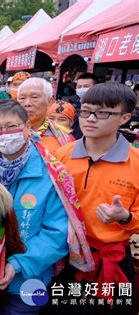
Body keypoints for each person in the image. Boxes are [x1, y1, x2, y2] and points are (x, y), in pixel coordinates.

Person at [55, 82, 138, 313]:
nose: (90, 118)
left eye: (102, 113)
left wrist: (125, 217)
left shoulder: (136, 163)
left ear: (124, 117)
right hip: (67, 258)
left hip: (112, 260)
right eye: (86, 111)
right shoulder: (62, 156)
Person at [0, 100, 68, 315]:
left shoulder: (52, 172)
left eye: (12, 126)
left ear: (28, 127)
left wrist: (18, 264)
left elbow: (58, 233)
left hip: (29, 278)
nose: (5, 133)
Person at [18, 77, 74, 153]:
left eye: (34, 97)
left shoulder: (65, 138)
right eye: (22, 98)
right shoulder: (8, 133)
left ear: (50, 102)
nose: (27, 103)